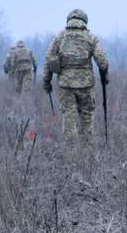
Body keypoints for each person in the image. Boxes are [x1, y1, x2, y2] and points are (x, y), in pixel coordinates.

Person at [42, 9, 109, 144]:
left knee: (69, 118)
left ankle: (72, 152)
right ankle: (87, 148)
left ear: (68, 20)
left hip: (65, 85)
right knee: (87, 116)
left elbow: (49, 59)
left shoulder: (59, 37)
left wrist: (46, 81)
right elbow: (102, 61)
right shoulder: (91, 38)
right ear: (85, 21)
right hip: (86, 85)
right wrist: (105, 76)